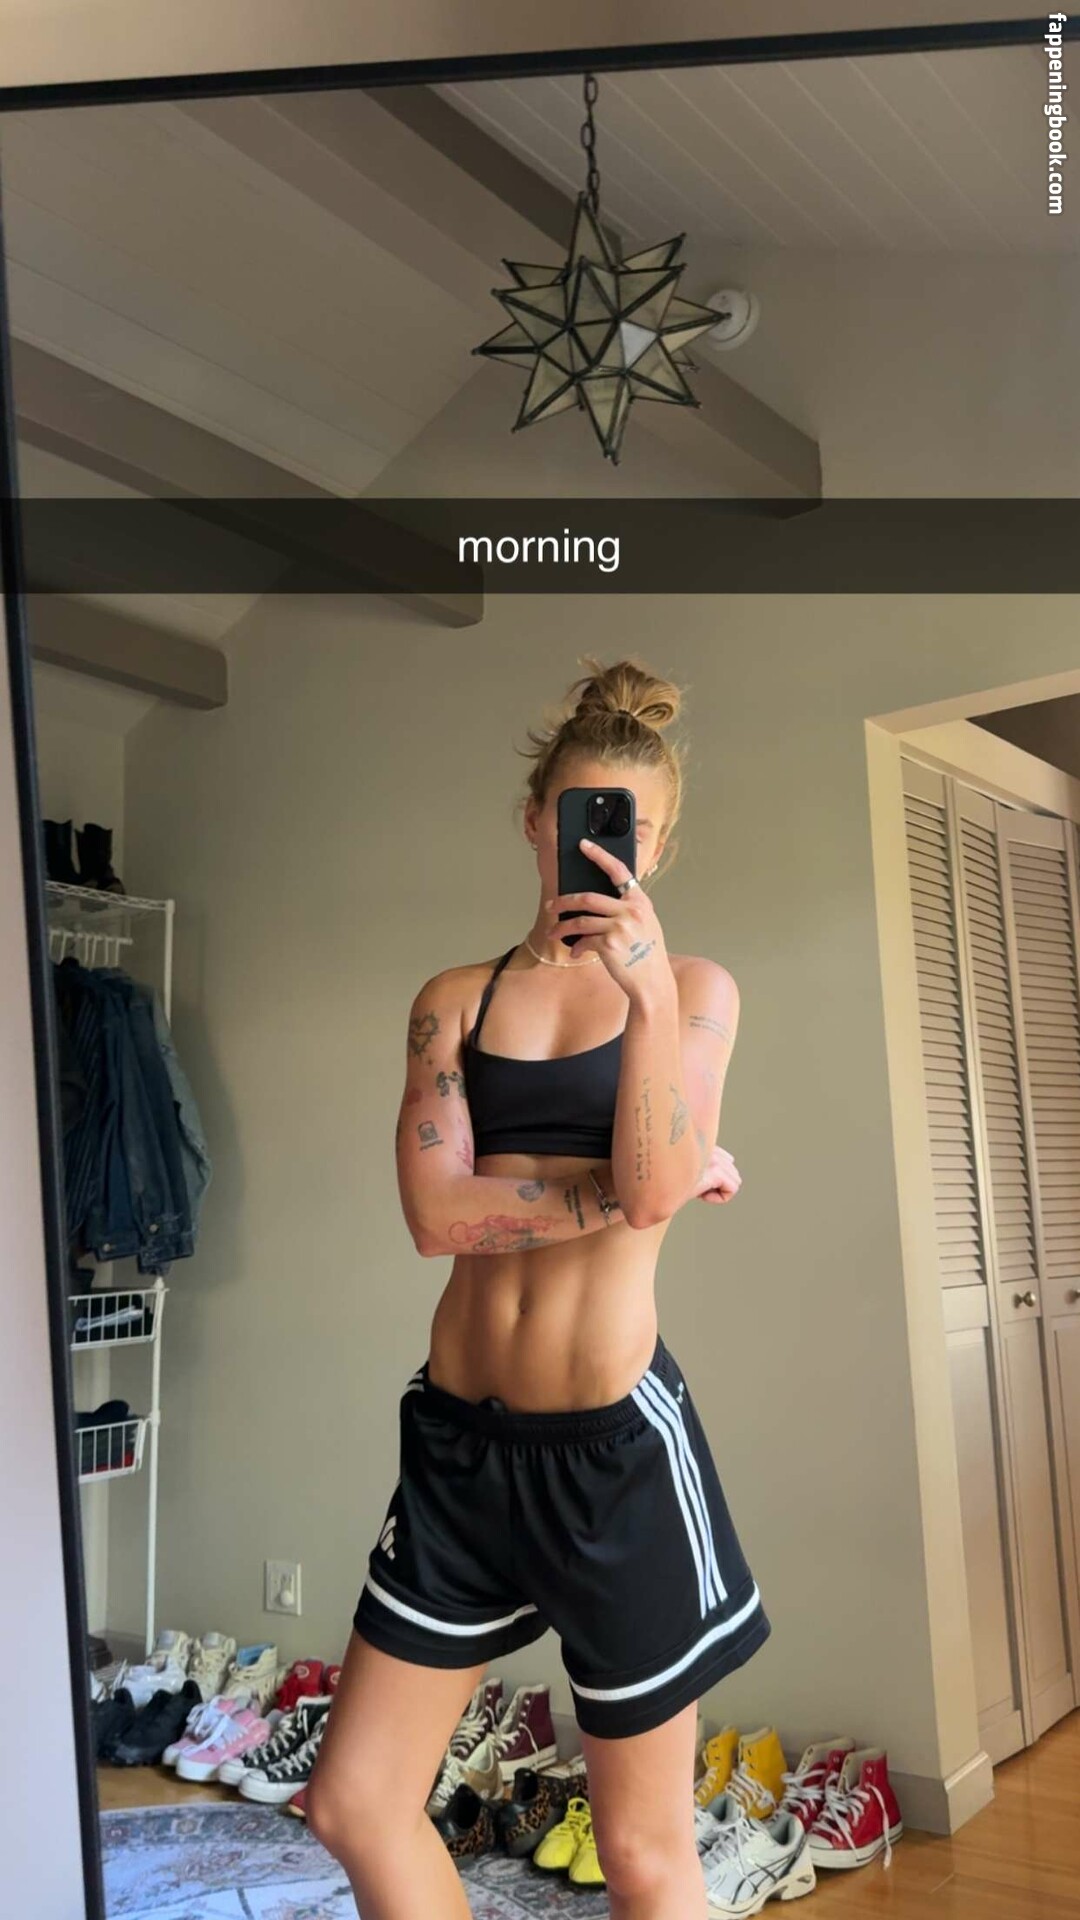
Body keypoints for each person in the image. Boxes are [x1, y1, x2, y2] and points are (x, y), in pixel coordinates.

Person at [306, 656, 772, 1919]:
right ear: (534, 821)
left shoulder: (694, 992)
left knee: (643, 1852)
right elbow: (435, 1216)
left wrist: (644, 994)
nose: (608, 852)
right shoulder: (455, 1002)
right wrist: (618, 1190)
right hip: (459, 1446)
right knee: (353, 1800)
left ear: (661, 847)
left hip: (613, 1454)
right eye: (583, 819)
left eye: (635, 832)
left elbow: (651, 1188)